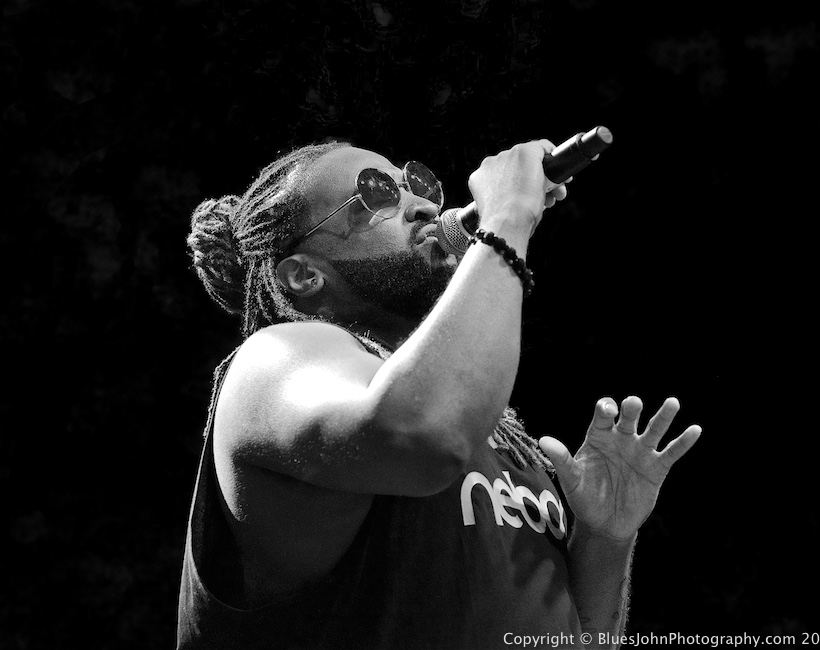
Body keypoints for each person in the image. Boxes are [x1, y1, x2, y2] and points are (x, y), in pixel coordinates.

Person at [179, 138, 702, 649]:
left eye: (415, 183)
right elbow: (422, 435)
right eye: (377, 191)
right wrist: (505, 223)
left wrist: (605, 541)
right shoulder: (273, 364)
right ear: (305, 275)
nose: (424, 205)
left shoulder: (497, 436)